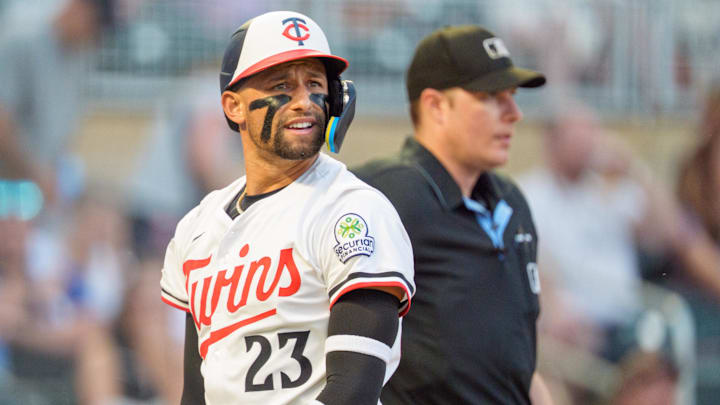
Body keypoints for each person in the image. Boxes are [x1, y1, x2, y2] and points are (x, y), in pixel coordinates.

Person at [159, 11, 415, 405]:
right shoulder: (197, 227)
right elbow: (196, 395)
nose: (304, 102)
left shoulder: (354, 211)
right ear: (233, 106)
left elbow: (352, 392)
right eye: (282, 85)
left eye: (314, 84)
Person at [353, 25, 552, 404]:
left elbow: (517, 363)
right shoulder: (384, 196)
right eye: (492, 97)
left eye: (512, 96)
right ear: (436, 106)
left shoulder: (510, 201)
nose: (515, 113)